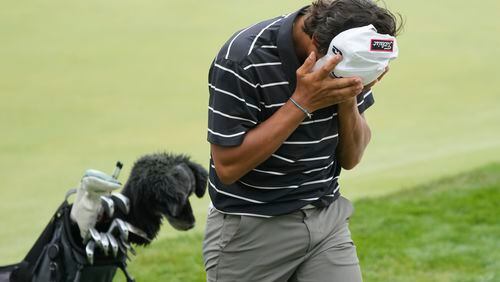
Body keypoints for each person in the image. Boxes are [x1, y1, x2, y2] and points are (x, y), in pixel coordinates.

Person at [202, 0, 402, 281]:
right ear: (317, 44)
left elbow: (351, 157)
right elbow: (228, 167)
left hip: (326, 220)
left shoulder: (351, 57)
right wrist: (302, 102)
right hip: (251, 229)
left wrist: (346, 96)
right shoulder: (243, 57)